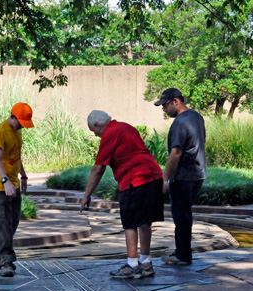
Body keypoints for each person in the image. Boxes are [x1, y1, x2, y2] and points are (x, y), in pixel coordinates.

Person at [80, 110, 164, 279]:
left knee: (130, 223)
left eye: (93, 131)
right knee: (144, 221)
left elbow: (98, 168)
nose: (95, 135)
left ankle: (132, 265)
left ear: (98, 125)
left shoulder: (110, 133)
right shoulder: (126, 127)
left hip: (134, 180)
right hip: (154, 176)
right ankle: (146, 263)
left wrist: (87, 195)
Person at [154, 88, 207, 265]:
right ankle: (182, 252)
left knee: (181, 216)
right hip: (198, 174)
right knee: (185, 214)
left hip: (183, 176)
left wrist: (165, 178)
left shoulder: (179, 122)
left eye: (165, 105)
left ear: (175, 102)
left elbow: (176, 153)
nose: (164, 109)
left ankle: (183, 255)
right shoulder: (196, 117)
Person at [0, 102, 34, 277]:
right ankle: (6, 262)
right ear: (12, 116)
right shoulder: (1, 131)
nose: (22, 126)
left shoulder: (17, 132)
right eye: (20, 122)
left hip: (13, 183)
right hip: (0, 184)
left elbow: (16, 157)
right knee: (3, 222)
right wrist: (5, 182)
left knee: (12, 223)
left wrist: (24, 176)